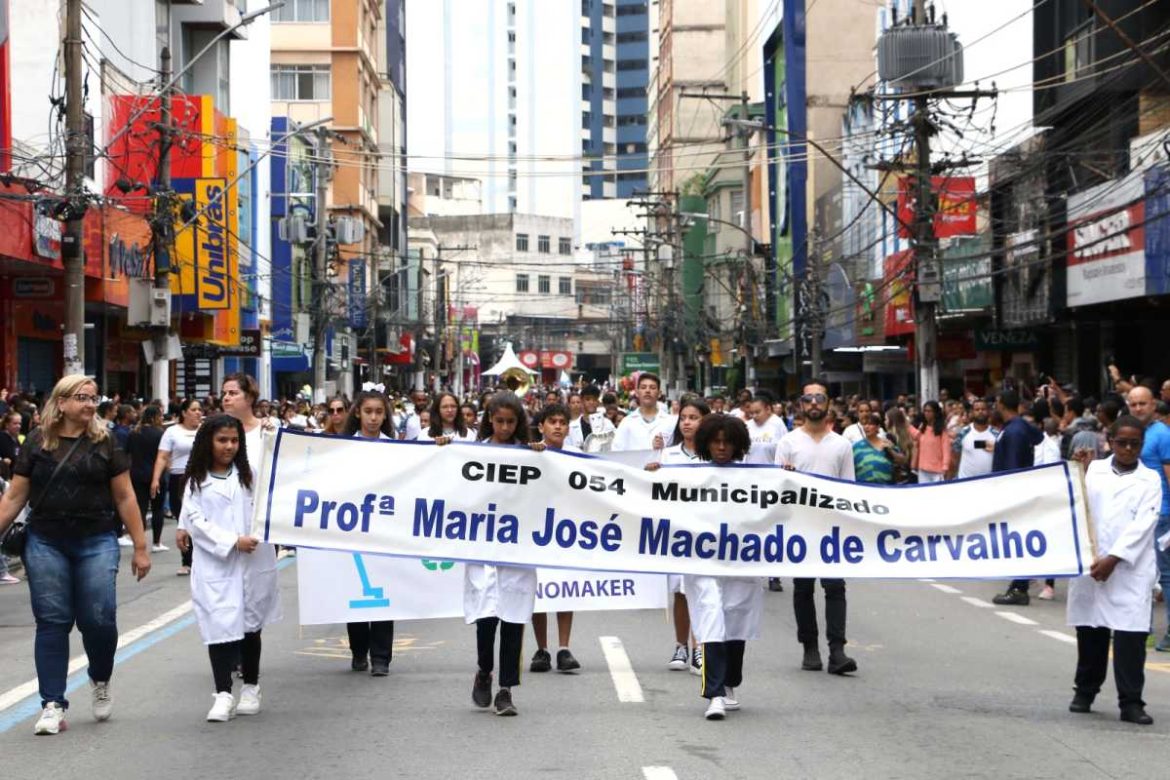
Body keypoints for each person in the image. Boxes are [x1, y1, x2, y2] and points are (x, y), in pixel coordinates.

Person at [0, 375, 151, 735]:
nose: (89, 404)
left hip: (96, 539)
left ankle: (100, 678)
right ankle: (52, 704)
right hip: (46, 540)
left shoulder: (106, 441)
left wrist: (140, 547)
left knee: (98, 618)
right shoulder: (37, 441)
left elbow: (126, 497)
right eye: (82, 397)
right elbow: (15, 496)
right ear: (62, 402)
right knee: (52, 621)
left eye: (93, 398)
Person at [183, 414, 281, 721]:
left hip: (253, 560)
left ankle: (250, 686)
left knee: (251, 627)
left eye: (234, 440)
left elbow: (276, 475)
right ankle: (223, 692)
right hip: (217, 563)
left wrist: (271, 434)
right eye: (222, 440)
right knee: (220, 628)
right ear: (208, 442)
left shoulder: (250, 474)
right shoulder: (196, 482)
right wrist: (230, 541)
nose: (229, 446)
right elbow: (195, 522)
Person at [1066, 416, 1162, 725]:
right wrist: (1075, 467)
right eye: (1122, 442)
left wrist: (1114, 559)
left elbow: (1143, 526)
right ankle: (1085, 691)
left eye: (1135, 443)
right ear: (1110, 441)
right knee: (1091, 631)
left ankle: (1131, 702)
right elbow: (1072, 500)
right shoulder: (1093, 470)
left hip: (1129, 569)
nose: (1128, 448)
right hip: (1093, 564)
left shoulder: (1150, 480)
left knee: (1130, 639)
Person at [775, 379, 858, 675]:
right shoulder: (788, 443)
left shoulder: (842, 445)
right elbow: (777, 488)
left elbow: (850, 488)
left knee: (835, 587)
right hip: (800, 526)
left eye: (819, 398)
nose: (813, 404)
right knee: (803, 588)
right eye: (808, 399)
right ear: (800, 405)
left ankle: (837, 650)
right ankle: (809, 647)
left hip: (832, 528)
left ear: (828, 404)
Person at [685, 414, 763, 720]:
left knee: (735, 622)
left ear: (738, 444)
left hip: (739, 562)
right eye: (715, 442)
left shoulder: (755, 478)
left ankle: (730, 683)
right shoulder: (690, 476)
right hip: (703, 563)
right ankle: (714, 693)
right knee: (711, 619)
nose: (721, 447)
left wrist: (788, 479)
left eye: (727, 442)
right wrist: (654, 474)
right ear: (705, 443)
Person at [462, 392, 535, 716]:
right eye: (499, 421)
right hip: (484, 546)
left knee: (514, 619)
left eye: (511, 422)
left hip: (517, 548)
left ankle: (506, 690)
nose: (505, 427)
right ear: (489, 420)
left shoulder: (531, 457)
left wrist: (541, 456)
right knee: (487, 617)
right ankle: (484, 671)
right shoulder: (474, 454)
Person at [646, 398, 708, 672]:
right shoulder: (668, 455)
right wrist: (651, 472)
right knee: (680, 592)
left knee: (701, 590)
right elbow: (652, 489)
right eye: (683, 417)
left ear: (704, 421)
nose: (687, 422)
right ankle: (681, 646)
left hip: (706, 535)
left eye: (693, 417)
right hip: (677, 534)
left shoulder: (713, 454)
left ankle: (700, 648)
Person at [341, 389, 397, 676]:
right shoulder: (344, 448)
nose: (373, 417)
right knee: (356, 591)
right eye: (368, 412)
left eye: (378, 412)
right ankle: (358, 651)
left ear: (385, 415)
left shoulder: (396, 449)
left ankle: (381, 657)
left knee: (383, 591)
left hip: (384, 528)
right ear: (358, 414)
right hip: (354, 528)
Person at [527, 404, 582, 674]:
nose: (558, 426)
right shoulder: (531, 453)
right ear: (542, 426)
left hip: (567, 532)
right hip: (537, 531)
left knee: (564, 587)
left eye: (562, 422)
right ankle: (542, 649)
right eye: (552, 422)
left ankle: (563, 648)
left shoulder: (577, 457)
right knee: (538, 591)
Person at [991, 389, 1046, 606]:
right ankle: (1017, 583)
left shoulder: (1014, 431)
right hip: (1020, 491)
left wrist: (1007, 494)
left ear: (1001, 404)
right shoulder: (1019, 427)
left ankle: (1020, 586)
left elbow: (1013, 466)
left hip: (1015, 493)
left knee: (1017, 539)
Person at [1125, 386, 1170, 651]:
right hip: (1137, 515)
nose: (1138, 408)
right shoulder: (1132, 434)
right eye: (1134, 404)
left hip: (1161, 515)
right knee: (1140, 573)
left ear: (1154, 404)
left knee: (1165, 575)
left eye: (1143, 403)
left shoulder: (1162, 435)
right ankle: (1144, 629)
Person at [153, 398, 204, 575]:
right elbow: (162, 457)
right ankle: (187, 560)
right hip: (178, 479)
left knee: (200, 519)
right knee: (182, 519)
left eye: (200, 409)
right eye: (194, 409)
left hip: (201, 478)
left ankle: (198, 558)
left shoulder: (205, 431)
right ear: (184, 413)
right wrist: (155, 479)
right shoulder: (172, 432)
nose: (198, 412)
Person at [127, 406, 167, 551]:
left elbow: (127, 453)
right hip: (157, 475)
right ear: (154, 417)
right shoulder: (160, 434)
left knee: (140, 509)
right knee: (157, 509)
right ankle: (156, 542)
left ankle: (140, 540)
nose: (162, 418)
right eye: (160, 415)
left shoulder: (133, 433)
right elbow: (164, 456)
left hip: (137, 475)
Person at [612, 373, 675, 452]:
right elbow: (616, 451)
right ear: (637, 393)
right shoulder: (627, 422)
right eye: (643, 387)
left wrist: (664, 448)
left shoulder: (670, 422)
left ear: (659, 393)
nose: (647, 391)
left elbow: (677, 451)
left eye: (652, 388)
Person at [852, 413, 905, 485]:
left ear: (878, 427)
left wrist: (891, 451)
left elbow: (902, 461)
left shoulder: (887, 443)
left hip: (886, 488)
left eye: (870, 424)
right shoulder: (856, 447)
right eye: (864, 424)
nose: (867, 427)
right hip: (863, 488)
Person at [951, 398, 997, 481]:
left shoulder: (996, 434)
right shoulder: (963, 433)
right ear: (972, 412)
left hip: (989, 483)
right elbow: (955, 456)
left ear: (988, 412)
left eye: (983, 409)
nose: (980, 412)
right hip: (966, 483)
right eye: (977, 409)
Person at [910, 400, 951, 484]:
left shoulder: (942, 431)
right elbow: (915, 436)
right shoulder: (922, 428)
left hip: (938, 471)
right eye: (925, 411)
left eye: (929, 411)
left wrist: (945, 467)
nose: (926, 413)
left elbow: (946, 450)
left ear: (935, 413)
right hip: (923, 470)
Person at [744, 389, 788, 465]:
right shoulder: (747, 425)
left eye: (757, 412)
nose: (754, 416)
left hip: (770, 472)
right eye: (752, 413)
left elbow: (786, 450)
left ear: (768, 409)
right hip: (749, 472)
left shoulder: (778, 424)